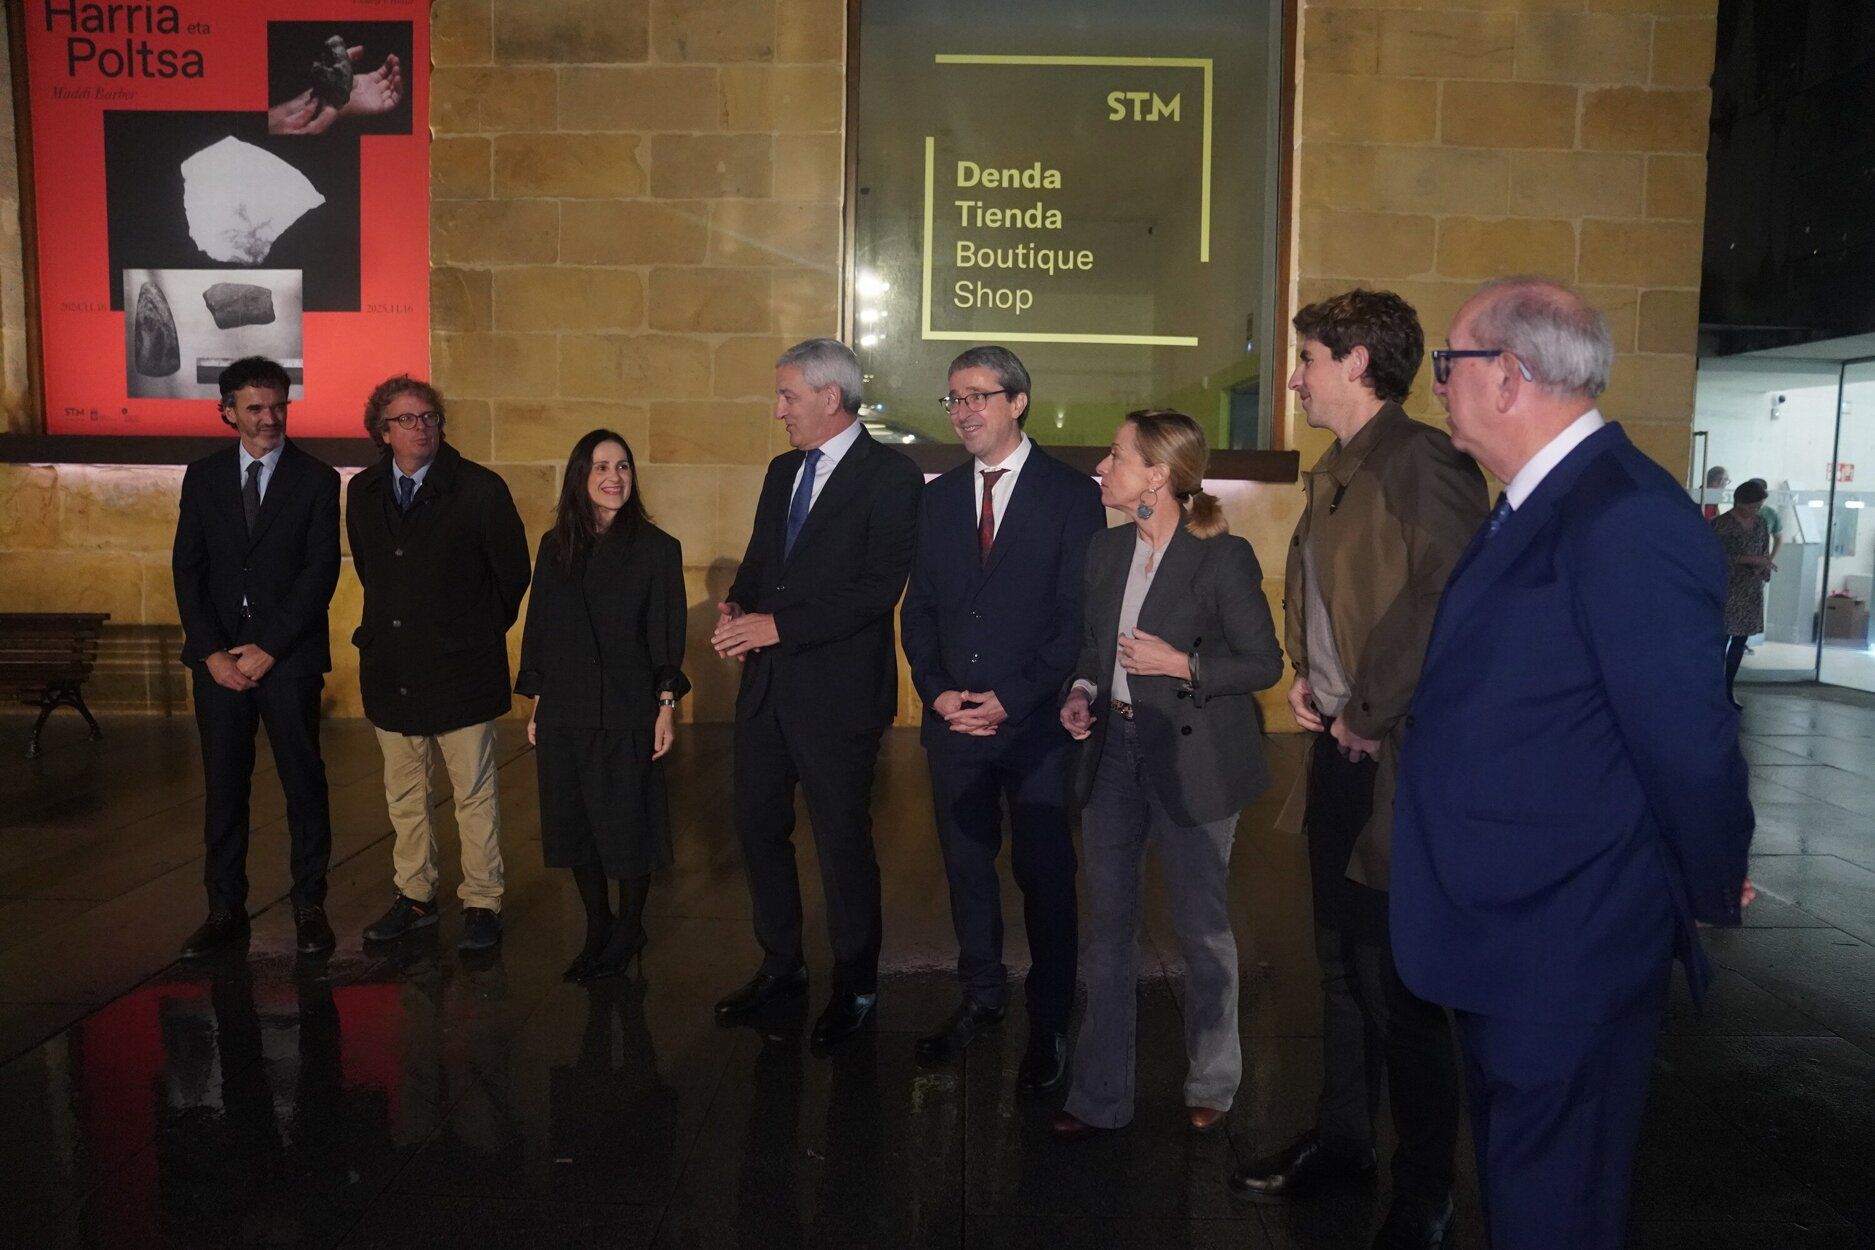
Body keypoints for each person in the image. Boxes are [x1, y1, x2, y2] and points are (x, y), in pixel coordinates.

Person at [1392, 276, 1756, 1250]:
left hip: (1565, 947)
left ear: (1507, 377)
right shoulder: (1539, 503)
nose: (1439, 387)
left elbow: (1688, 739)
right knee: (1523, 1197)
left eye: (1448, 364)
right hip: (1509, 935)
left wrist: (1713, 871)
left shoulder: (1625, 517)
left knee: (1553, 1210)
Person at [1231, 291, 1486, 1249]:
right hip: (1341, 750)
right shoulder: (1337, 466)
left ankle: (1427, 1186)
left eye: (1304, 358)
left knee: (1401, 988)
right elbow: (1328, 601)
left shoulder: (1420, 460)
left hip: (1398, 763)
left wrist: (1368, 710)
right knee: (1338, 970)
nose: (1293, 377)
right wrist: (1311, 685)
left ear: (1356, 363)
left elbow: (1446, 598)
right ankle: (1344, 1144)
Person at [1050, 410, 1283, 1138]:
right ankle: (1098, 1097)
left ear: (1157, 475)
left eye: (1114, 455)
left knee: (1200, 927)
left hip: (1193, 764)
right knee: (1107, 931)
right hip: (1113, 757)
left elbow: (1263, 663)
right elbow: (1093, 653)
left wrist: (1180, 664)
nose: (1100, 467)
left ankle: (1212, 1077)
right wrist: (1081, 695)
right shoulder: (1103, 551)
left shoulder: (1222, 556)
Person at [900, 346, 1104, 1091]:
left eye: (976, 397)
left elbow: (1074, 618)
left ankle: (1048, 1023)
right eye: (952, 399)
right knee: (964, 870)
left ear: (1017, 402)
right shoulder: (939, 497)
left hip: (1036, 726)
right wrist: (936, 690)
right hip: (952, 723)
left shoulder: (1069, 496)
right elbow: (918, 608)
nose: (961, 412)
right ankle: (980, 996)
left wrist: (1012, 698)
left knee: (1045, 874)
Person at [711, 338, 922, 1049]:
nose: (778, 412)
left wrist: (778, 625)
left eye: (787, 397)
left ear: (830, 398)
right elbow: (764, 560)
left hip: (837, 695)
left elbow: (875, 591)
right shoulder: (781, 472)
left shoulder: (891, 477)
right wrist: (738, 607)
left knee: (840, 842)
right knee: (757, 827)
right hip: (767, 689)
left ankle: (856, 984)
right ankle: (782, 965)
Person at [349, 376, 531, 953]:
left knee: (473, 792)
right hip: (392, 666)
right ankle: (416, 895)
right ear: (383, 431)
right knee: (404, 794)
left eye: (428, 416)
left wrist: (472, 633)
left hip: (461, 667)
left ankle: (481, 901)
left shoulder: (479, 488)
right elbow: (374, 573)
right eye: (406, 419)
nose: (421, 426)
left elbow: (512, 576)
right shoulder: (364, 491)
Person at [171, 356, 340, 958]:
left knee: (304, 782)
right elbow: (188, 569)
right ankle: (223, 910)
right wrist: (212, 653)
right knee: (223, 786)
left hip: (286, 659)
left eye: (278, 406)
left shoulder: (317, 479)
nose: (269, 418)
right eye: (255, 408)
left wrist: (270, 647)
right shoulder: (203, 476)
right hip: (217, 662)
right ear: (227, 413)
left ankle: (310, 906)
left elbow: (320, 573)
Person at [516, 430, 689, 982]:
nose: (613, 478)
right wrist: (538, 699)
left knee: (626, 823)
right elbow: (540, 626)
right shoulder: (555, 544)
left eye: (622, 467)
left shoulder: (658, 549)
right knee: (575, 824)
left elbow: (666, 635)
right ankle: (598, 924)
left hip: (626, 706)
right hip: (565, 705)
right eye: (600, 467)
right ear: (579, 477)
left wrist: (666, 704)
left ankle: (630, 926)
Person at [1713, 477, 1775, 709]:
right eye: (1751, 506)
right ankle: (1715, 689)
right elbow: (1715, 558)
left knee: (1741, 640)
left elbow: (1763, 551)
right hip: (1728, 588)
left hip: (1750, 588)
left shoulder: (1761, 524)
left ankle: (1729, 687)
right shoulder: (1721, 525)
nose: (1754, 511)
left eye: (1758, 507)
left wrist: (1763, 567)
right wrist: (1748, 559)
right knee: (1722, 639)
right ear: (1738, 502)